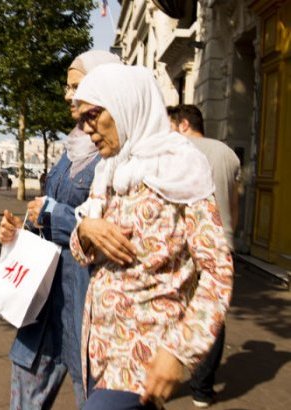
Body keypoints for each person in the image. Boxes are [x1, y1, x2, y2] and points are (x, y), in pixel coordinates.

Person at [69, 64, 233, 409]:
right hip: (98, 351)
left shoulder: (180, 165)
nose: (86, 129)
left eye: (93, 116)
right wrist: (85, 230)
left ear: (125, 103)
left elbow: (218, 272)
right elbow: (81, 253)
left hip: (143, 359)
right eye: (82, 120)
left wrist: (180, 350)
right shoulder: (110, 170)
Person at [0, 49, 120, 409]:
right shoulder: (71, 148)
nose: (68, 95)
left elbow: (113, 230)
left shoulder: (114, 151)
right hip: (44, 301)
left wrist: (55, 214)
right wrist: (20, 230)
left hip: (87, 305)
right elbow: (47, 212)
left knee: (94, 397)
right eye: (67, 87)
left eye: (77, 86)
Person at [167, 104, 241, 408]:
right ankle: (202, 389)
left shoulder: (174, 150)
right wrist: (227, 238)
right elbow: (234, 205)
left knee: (171, 306)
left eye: (171, 125)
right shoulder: (227, 154)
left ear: (184, 125)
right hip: (220, 242)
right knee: (213, 315)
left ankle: (165, 373)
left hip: (184, 243)